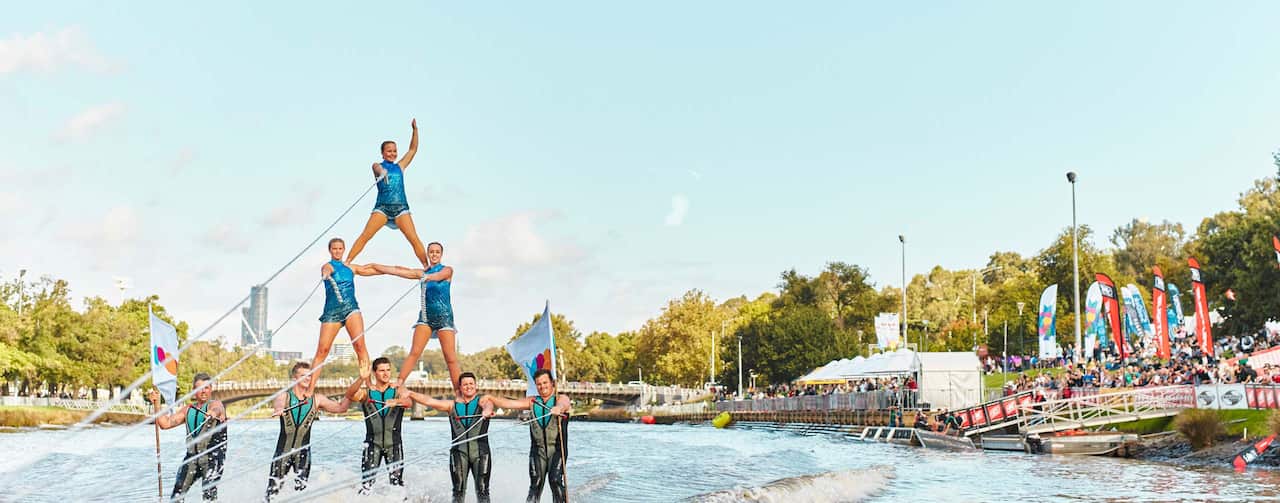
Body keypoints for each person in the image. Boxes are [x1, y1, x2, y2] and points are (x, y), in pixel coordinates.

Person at [396, 371, 498, 503]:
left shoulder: (482, 401)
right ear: (460, 388)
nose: (469, 386)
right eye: (465, 384)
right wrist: (410, 393)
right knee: (458, 490)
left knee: (482, 490)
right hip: (458, 453)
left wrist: (487, 411)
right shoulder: (451, 406)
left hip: (481, 453)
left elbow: (488, 405)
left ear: (475, 386)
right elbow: (430, 401)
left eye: (471, 384)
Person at [370, 241, 459, 391]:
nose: (434, 254)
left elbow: (439, 276)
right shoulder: (421, 273)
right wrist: (378, 267)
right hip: (425, 317)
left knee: (450, 358)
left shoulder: (447, 270)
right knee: (414, 352)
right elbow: (400, 270)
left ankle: (458, 391)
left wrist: (429, 277)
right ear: (428, 254)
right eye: (431, 252)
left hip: (445, 318)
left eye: (437, 252)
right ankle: (399, 382)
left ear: (441, 254)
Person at [265, 362, 359, 501]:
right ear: (294, 378)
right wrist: (278, 410)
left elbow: (341, 408)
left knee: (302, 495)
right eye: (303, 376)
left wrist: (352, 391)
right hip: (282, 453)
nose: (308, 379)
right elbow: (278, 405)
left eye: (310, 376)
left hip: (303, 454)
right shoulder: (284, 397)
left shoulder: (317, 399)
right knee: (272, 494)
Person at [345, 119, 429, 267]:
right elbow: (376, 168)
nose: (393, 153)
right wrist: (382, 172)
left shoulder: (400, 166)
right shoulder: (377, 165)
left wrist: (415, 130)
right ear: (383, 153)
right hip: (382, 208)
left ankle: (426, 266)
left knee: (413, 238)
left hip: (401, 208)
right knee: (366, 235)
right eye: (389, 151)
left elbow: (412, 150)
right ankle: (348, 261)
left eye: (394, 151)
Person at [483, 369, 573, 503]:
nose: (542, 386)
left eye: (545, 383)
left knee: (554, 480)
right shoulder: (532, 402)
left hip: (557, 451)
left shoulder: (560, 398)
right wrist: (491, 398)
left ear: (552, 383)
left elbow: (565, 404)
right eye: (539, 384)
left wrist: (558, 408)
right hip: (537, 451)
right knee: (536, 483)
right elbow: (510, 404)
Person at [308, 237, 377, 387]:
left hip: (351, 309)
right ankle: (310, 387)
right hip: (332, 312)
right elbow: (327, 270)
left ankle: (369, 384)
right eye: (334, 249)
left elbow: (369, 269)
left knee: (359, 346)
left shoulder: (351, 268)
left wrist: (388, 270)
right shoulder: (328, 266)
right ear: (330, 250)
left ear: (344, 250)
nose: (337, 251)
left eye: (340, 248)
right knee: (322, 350)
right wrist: (326, 275)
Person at [150, 373, 227, 501]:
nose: (203, 391)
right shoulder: (188, 410)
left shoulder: (216, 404)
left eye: (206, 388)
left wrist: (212, 413)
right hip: (192, 458)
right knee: (177, 495)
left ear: (211, 389)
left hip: (213, 458)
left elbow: (217, 409)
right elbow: (165, 423)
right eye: (199, 388)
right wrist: (157, 404)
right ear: (193, 391)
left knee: (209, 493)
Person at [355, 357, 408, 493]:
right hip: (373, 445)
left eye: (388, 370)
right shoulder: (367, 393)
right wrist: (362, 379)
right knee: (366, 486)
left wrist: (396, 402)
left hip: (394, 445)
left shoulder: (398, 390)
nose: (386, 373)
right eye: (382, 370)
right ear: (374, 373)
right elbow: (351, 395)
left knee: (397, 487)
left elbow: (408, 402)